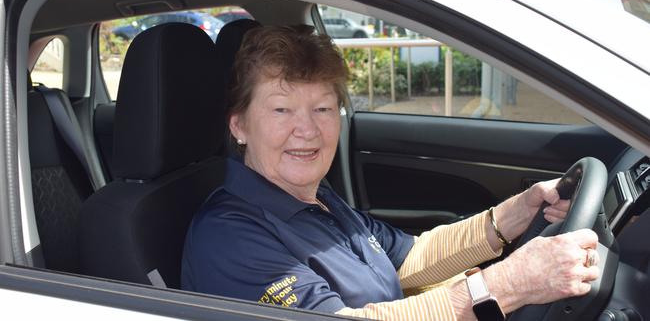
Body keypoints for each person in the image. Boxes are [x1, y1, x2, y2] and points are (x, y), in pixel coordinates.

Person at [181, 25, 599, 320]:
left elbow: (408, 258)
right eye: (281, 109)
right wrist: (509, 285)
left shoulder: (316, 197)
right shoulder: (227, 235)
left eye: (323, 108)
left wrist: (518, 212)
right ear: (239, 126)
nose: (307, 130)